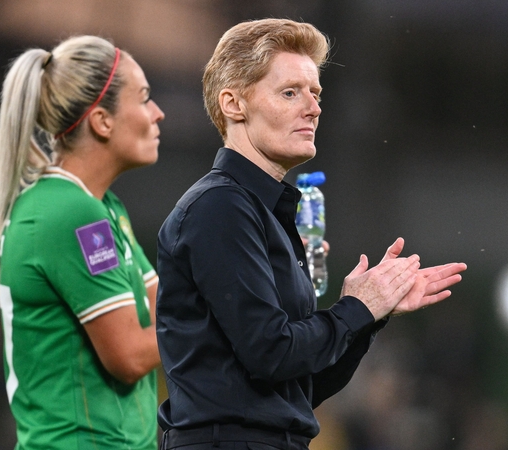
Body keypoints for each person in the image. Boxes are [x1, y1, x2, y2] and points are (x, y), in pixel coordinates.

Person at [155, 18, 467, 449]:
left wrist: (369, 315)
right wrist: (356, 308)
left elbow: (300, 387)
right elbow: (272, 353)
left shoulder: (259, 210)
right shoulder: (220, 207)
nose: (314, 107)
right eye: (290, 92)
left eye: (315, 93)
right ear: (233, 104)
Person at [0, 35, 165, 449]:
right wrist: (221, 322)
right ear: (102, 121)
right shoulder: (69, 214)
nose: (158, 113)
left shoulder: (100, 207)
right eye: (144, 98)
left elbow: (166, 308)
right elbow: (130, 356)